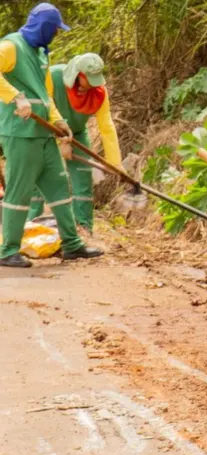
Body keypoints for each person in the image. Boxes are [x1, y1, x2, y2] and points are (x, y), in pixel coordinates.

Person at [0, 3, 103, 268]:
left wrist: (59, 121)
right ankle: (8, 250)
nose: (56, 34)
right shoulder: (12, 46)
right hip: (21, 134)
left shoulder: (40, 53)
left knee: (60, 189)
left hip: (44, 133)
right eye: (55, 29)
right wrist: (16, 97)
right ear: (44, 27)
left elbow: (46, 95)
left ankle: (71, 244)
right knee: (19, 192)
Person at [28, 52, 126, 233]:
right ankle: (30, 225)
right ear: (77, 74)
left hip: (77, 134)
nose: (92, 84)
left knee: (83, 180)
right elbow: (44, 106)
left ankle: (83, 227)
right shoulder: (54, 76)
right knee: (37, 177)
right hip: (45, 131)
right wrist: (60, 141)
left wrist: (115, 163)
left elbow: (106, 126)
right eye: (89, 79)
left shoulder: (98, 92)